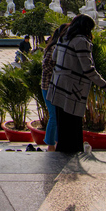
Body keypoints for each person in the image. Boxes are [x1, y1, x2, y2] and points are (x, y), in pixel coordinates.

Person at [47, 14, 106, 154]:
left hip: (57, 86)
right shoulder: (81, 41)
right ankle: (71, 153)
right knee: (73, 124)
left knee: (62, 123)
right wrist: (105, 87)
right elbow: (88, 69)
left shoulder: (63, 38)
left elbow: (54, 58)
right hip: (72, 90)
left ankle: (62, 152)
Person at [41, 24, 68, 152]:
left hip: (56, 86)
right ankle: (50, 145)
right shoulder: (54, 48)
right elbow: (46, 66)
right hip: (49, 86)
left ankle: (57, 143)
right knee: (54, 116)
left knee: (57, 115)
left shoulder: (59, 46)